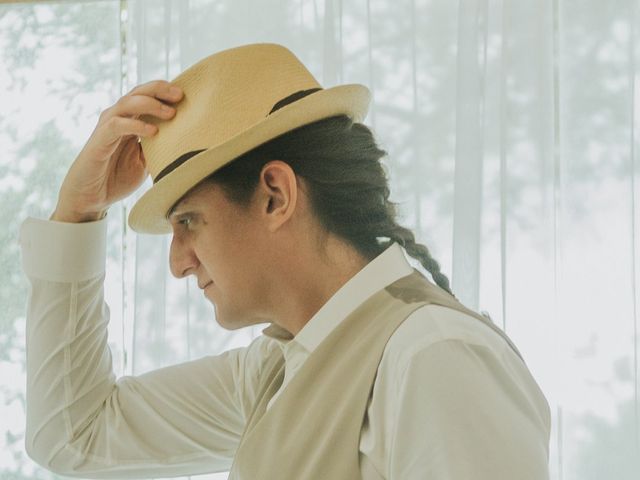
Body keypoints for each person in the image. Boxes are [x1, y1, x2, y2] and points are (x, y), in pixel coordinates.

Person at [19, 42, 551, 479]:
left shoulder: (433, 354)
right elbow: (76, 434)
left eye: (188, 222)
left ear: (275, 194)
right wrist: (77, 213)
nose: (178, 264)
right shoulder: (274, 371)